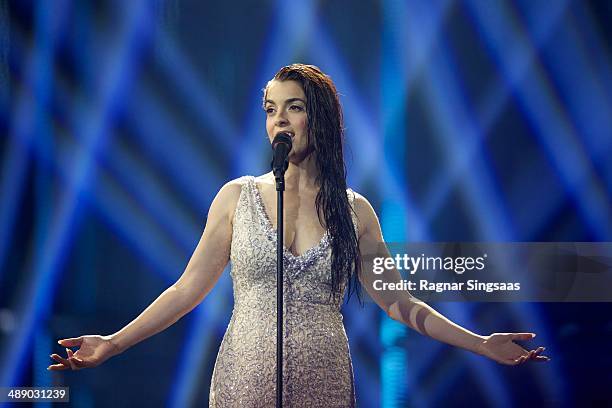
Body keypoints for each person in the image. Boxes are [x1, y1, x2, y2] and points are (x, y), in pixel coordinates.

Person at [48, 64, 549, 406]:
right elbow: (184, 291)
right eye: (270, 109)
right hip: (244, 379)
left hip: (324, 379)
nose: (279, 120)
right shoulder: (235, 198)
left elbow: (399, 303)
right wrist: (114, 343)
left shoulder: (355, 211)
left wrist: (480, 343)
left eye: (293, 107)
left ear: (321, 119)